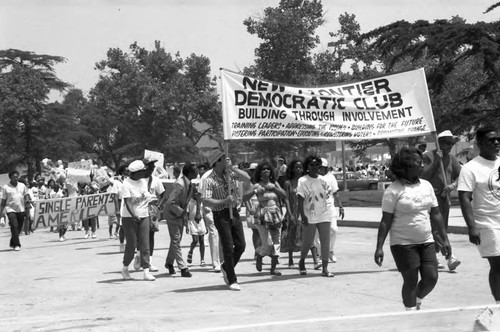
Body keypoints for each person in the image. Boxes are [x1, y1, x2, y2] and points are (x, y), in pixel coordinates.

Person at [374, 147, 452, 311]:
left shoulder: (427, 186)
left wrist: (445, 239)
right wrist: (379, 247)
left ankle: (415, 299)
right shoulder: (393, 191)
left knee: (431, 277)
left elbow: (436, 214)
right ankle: (410, 315)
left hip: (426, 241)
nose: (422, 164)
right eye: (418, 162)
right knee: (410, 280)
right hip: (403, 244)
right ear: (406, 166)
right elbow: (385, 221)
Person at [457, 125, 500, 303]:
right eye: (491, 140)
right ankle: (499, 306)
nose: (496, 142)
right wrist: (471, 227)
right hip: (487, 223)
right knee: (498, 265)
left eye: (498, 139)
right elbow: (464, 198)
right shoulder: (470, 168)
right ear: (480, 143)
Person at [201, 149, 251, 291]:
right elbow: (206, 200)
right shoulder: (209, 180)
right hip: (221, 214)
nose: (227, 160)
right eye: (224, 159)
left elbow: (247, 178)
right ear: (217, 162)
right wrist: (223, 201)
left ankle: (226, 267)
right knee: (228, 247)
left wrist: (233, 168)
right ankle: (232, 279)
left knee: (241, 245)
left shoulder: (230, 174)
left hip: (233, 212)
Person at [422, 130, 462, 271]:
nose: (450, 145)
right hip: (430, 198)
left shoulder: (452, 158)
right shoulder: (427, 156)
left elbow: (460, 176)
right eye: (448, 143)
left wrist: (452, 186)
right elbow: (423, 175)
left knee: (441, 227)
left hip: (445, 199)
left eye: (452, 143)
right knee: (436, 228)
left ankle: (433, 255)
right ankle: (449, 256)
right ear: (440, 143)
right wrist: (436, 162)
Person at [244, 160, 287, 276]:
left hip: (275, 214)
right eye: (263, 169)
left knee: (276, 241)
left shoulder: (275, 183)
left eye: (268, 169)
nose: (266, 171)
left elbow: (284, 195)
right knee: (267, 243)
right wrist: (255, 191)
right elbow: (245, 197)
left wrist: (274, 189)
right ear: (259, 172)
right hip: (262, 215)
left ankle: (273, 269)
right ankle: (259, 254)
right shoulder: (257, 185)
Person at [297, 155, 335, 278]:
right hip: (309, 214)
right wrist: (302, 215)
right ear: (307, 167)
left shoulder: (324, 180)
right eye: (311, 165)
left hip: (324, 213)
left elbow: (329, 196)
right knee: (308, 242)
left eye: (317, 165)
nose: (315, 167)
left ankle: (325, 268)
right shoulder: (303, 180)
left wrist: (331, 211)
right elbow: (300, 199)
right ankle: (302, 261)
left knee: (325, 241)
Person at [120, 160, 156, 281]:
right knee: (132, 245)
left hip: (144, 215)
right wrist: (134, 214)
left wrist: (151, 201)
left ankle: (146, 271)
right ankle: (125, 268)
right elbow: (127, 202)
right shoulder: (126, 184)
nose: (145, 172)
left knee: (145, 244)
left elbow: (145, 195)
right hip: (129, 218)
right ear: (136, 172)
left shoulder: (143, 182)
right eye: (143, 171)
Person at [164, 163, 199, 278]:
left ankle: (169, 262)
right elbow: (170, 202)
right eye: (195, 170)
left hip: (179, 214)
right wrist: (181, 212)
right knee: (176, 240)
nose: (197, 171)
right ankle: (183, 267)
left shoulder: (189, 184)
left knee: (176, 240)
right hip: (173, 214)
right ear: (189, 172)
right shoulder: (180, 184)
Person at [134, 156, 165, 273]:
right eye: (150, 166)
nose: (152, 168)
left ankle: (149, 261)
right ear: (144, 167)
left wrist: (158, 206)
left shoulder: (156, 180)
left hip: (151, 207)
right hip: (139, 207)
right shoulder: (137, 180)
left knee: (151, 235)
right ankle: (138, 256)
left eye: (153, 166)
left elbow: (162, 194)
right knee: (139, 235)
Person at [318, 158, 345, 263]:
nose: (320, 169)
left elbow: (335, 193)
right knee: (318, 234)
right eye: (318, 167)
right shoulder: (314, 178)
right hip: (316, 209)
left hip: (330, 208)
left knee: (333, 229)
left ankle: (330, 250)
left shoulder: (331, 177)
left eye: (322, 167)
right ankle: (321, 254)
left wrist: (341, 207)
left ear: (326, 168)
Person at [197, 162, 221, 272]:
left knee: (222, 234)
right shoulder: (206, 176)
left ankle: (222, 259)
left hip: (223, 208)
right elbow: (200, 194)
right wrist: (199, 210)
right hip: (209, 209)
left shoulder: (226, 174)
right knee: (214, 233)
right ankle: (216, 262)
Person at [0, 171, 32, 251]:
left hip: (21, 208)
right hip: (10, 209)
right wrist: (1, 212)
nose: (16, 178)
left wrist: (27, 200)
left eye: (17, 177)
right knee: (14, 226)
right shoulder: (5, 187)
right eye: (14, 177)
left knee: (19, 227)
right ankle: (17, 244)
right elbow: (3, 201)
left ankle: (12, 241)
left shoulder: (22, 185)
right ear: (10, 177)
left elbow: (26, 194)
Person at [281, 159, 304, 267]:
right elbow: (286, 199)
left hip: (304, 211)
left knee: (306, 235)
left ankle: (310, 260)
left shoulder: (305, 181)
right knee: (290, 235)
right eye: (296, 167)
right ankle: (290, 259)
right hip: (292, 211)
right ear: (292, 169)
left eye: (300, 167)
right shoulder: (288, 183)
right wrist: (289, 213)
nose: (298, 169)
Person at [186, 196, 207, 267]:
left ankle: (202, 260)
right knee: (195, 240)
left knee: (202, 240)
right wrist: (186, 226)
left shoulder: (201, 202)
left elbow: (204, 214)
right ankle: (191, 251)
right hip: (192, 222)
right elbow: (187, 214)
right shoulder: (189, 202)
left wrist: (206, 225)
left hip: (201, 222)